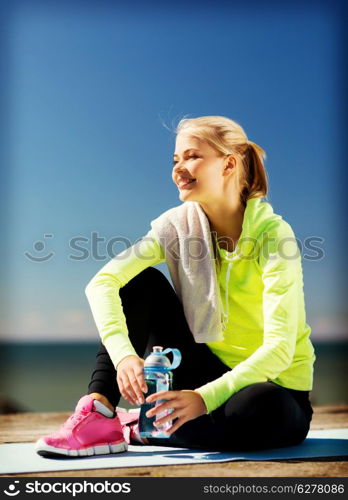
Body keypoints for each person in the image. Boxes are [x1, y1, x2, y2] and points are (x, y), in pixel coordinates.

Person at [35, 116, 315, 457]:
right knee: (139, 283)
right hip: (201, 366)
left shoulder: (273, 235)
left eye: (192, 156)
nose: (179, 168)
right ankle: (101, 414)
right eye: (175, 160)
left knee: (263, 405)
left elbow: (279, 350)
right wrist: (124, 356)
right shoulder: (177, 227)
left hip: (271, 387)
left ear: (228, 163)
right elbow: (103, 283)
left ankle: (144, 427)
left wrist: (203, 398)